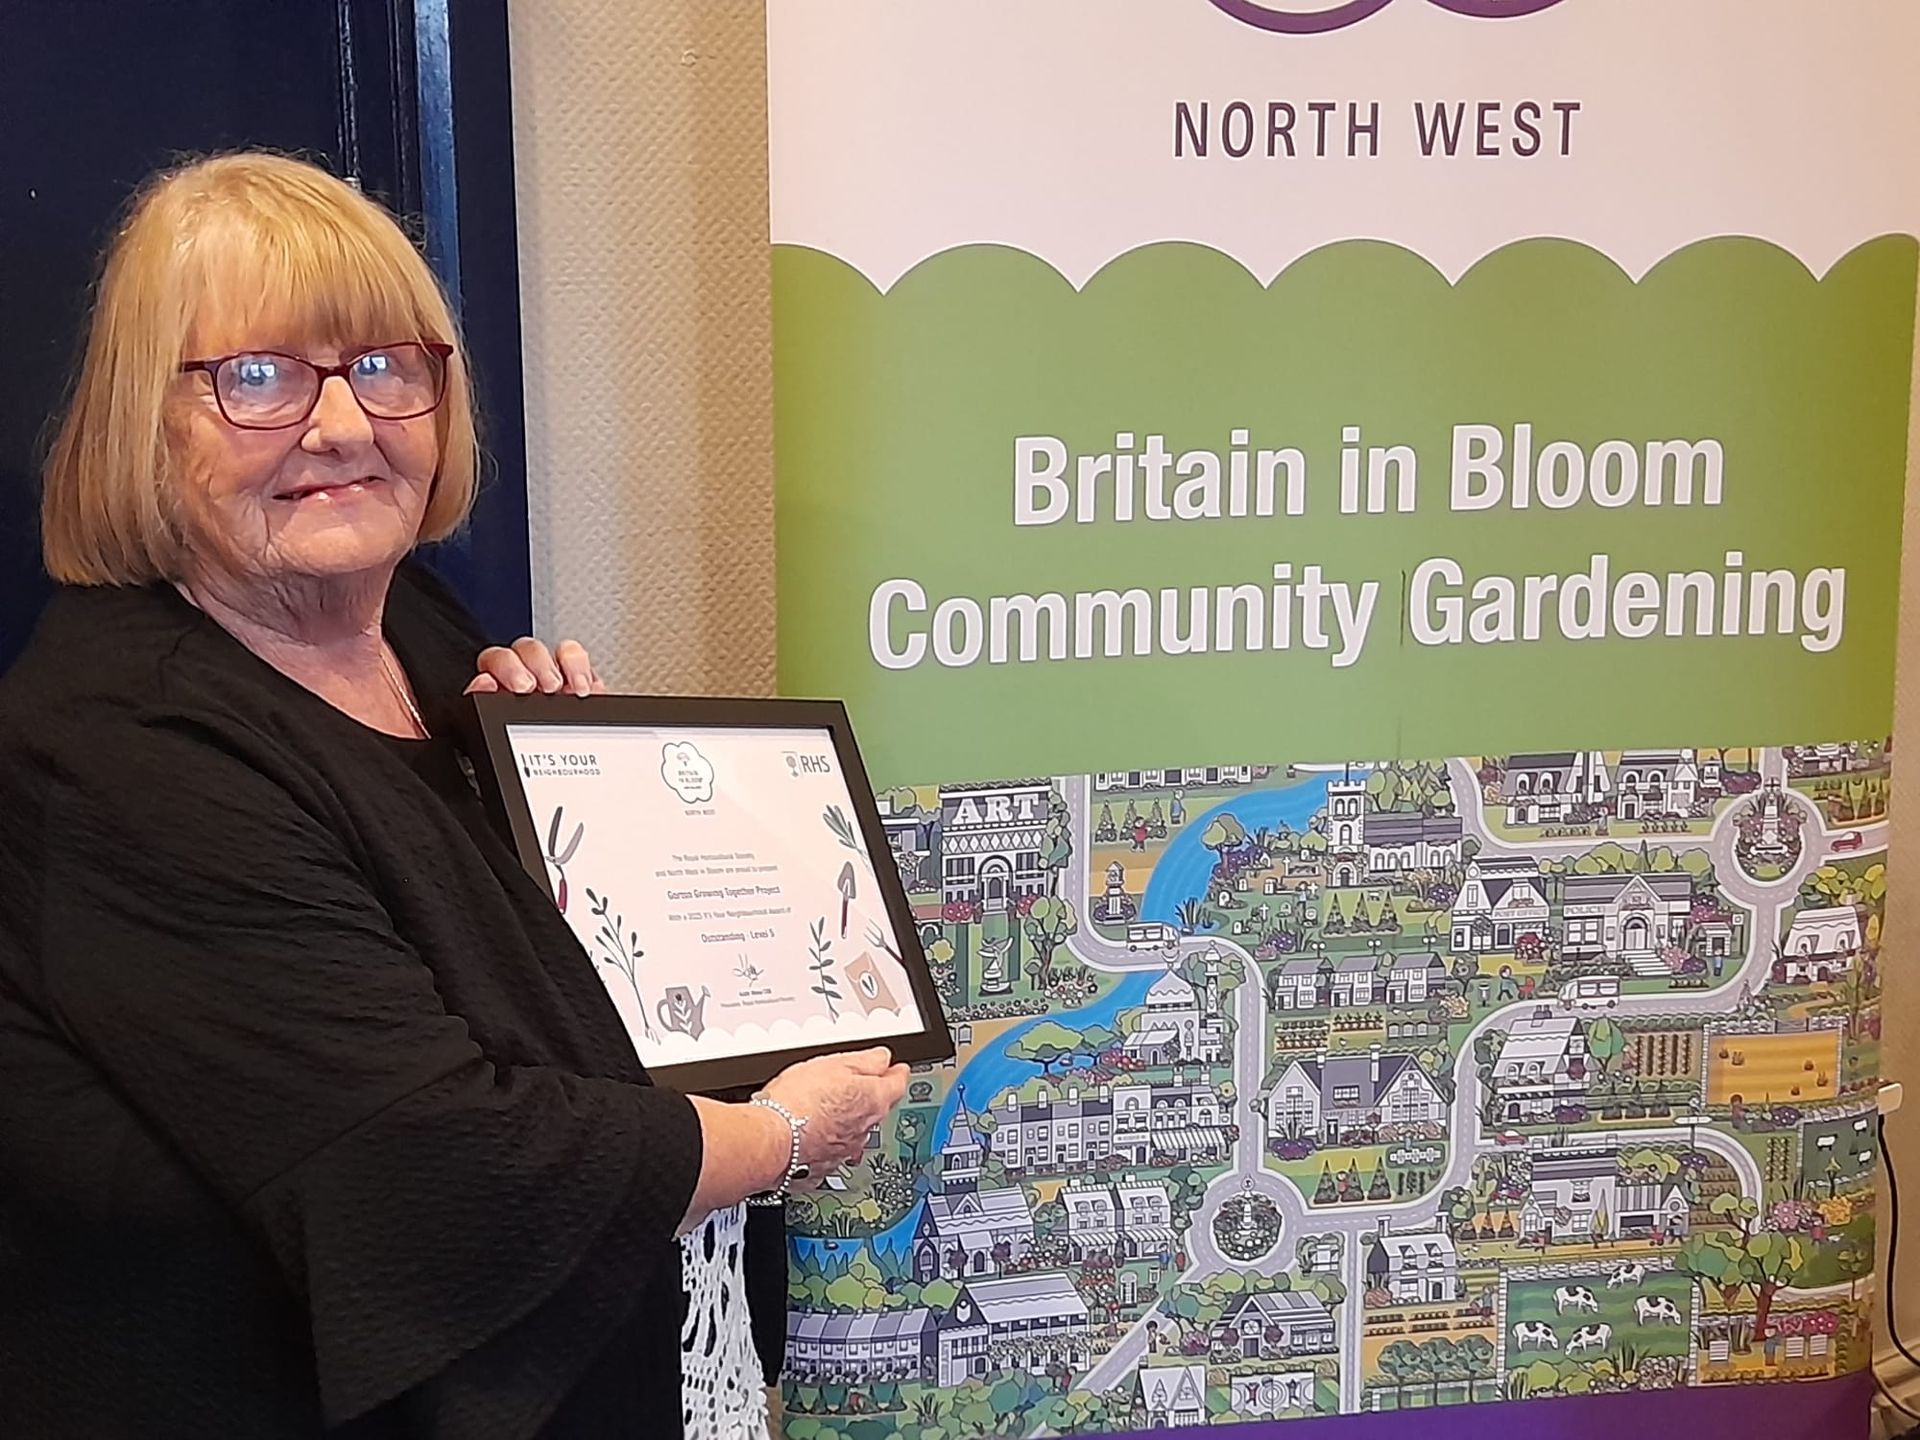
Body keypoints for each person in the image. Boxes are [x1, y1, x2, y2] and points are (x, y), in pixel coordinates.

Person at [0, 152, 908, 1439]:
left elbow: (509, 958)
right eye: (256, 377)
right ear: (145, 422)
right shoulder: (123, 751)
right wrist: (782, 1137)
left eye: (384, 365)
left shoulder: (414, 629)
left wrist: (572, 795)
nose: (341, 425)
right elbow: (435, 1155)